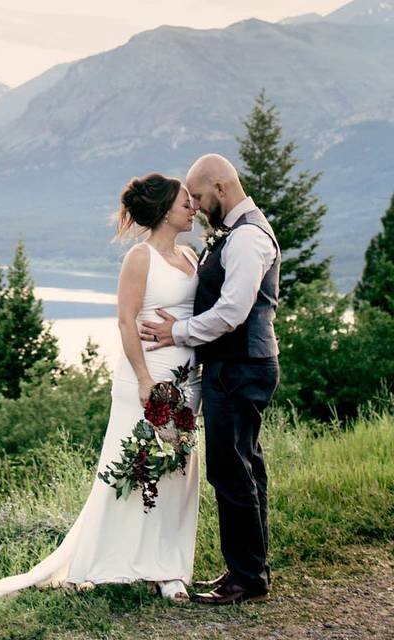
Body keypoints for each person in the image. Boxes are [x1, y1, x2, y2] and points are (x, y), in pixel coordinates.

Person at [0, 173, 202, 604]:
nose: (193, 207)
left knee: (179, 472)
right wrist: (144, 380)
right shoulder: (140, 257)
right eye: (185, 202)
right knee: (134, 469)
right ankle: (113, 561)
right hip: (148, 380)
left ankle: (169, 568)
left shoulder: (191, 255)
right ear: (164, 210)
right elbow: (125, 321)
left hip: (188, 382)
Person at [140, 153, 280, 605]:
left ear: (220, 188)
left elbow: (232, 313)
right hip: (237, 366)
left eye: (199, 196)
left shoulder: (246, 239)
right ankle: (248, 571)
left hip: (239, 367)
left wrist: (175, 331)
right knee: (244, 466)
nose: (196, 206)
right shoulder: (238, 234)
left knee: (230, 470)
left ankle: (247, 579)